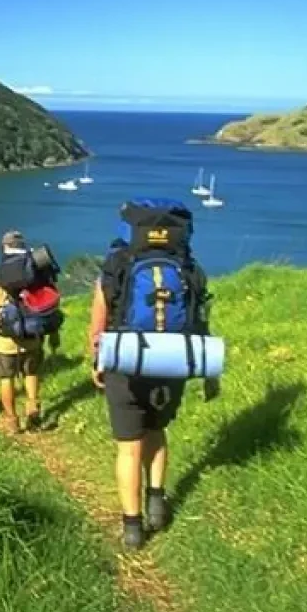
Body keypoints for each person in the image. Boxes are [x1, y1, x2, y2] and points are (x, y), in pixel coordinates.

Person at [88, 198, 211, 550]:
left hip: (124, 361)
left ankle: (132, 528)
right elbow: (199, 317)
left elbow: (99, 320)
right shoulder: (189, 267)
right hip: (172, 361)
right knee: (157, 432)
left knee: (128, 448)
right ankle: (157, 502)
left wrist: (98, 358)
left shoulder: (116, 265)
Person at [0, 231, 43, 433]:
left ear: (4, 247)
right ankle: (32, 407)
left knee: (6, 378)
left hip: (5, 338)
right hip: (32, 334)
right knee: (30, 372)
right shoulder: (36, 272)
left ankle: (12, 420)